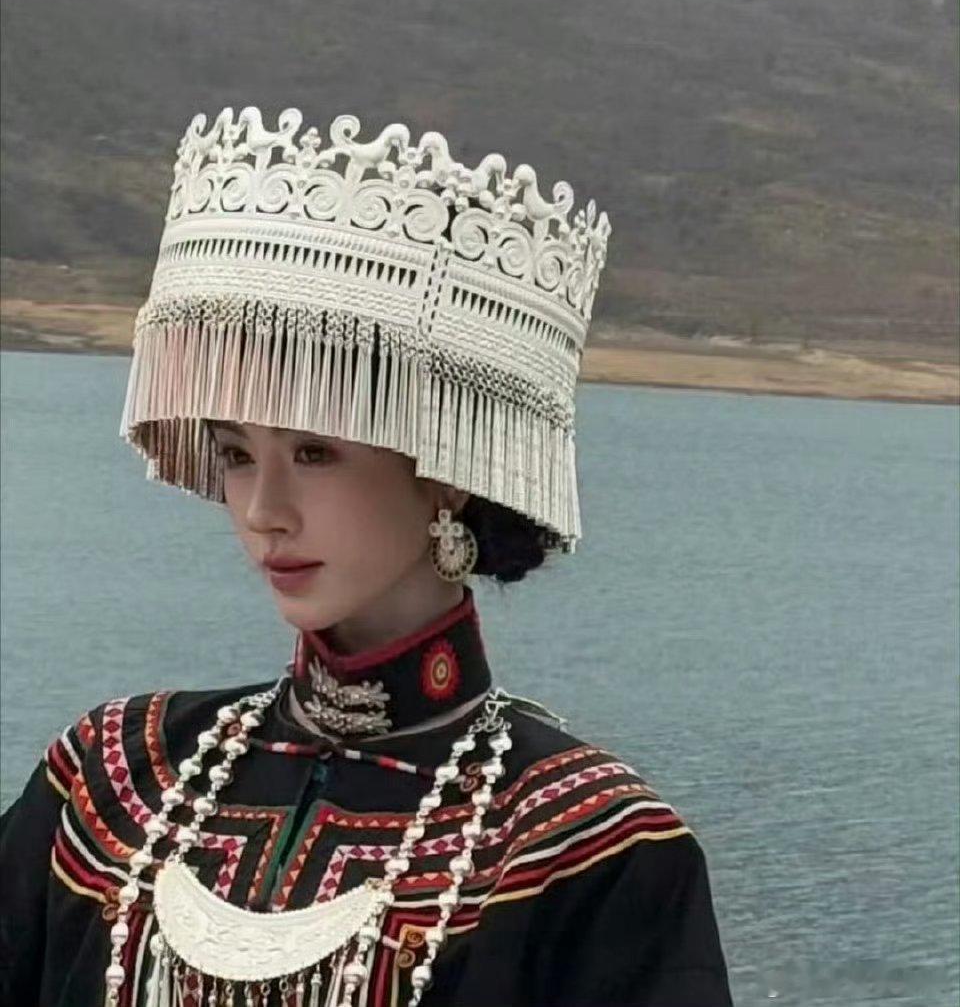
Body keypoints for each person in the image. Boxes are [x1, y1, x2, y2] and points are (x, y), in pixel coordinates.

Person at [0, 107, 733, 1007]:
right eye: (237, 454)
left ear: (443, 472)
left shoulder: (583, 846)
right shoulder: (113, 778)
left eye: (315, 453)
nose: (263, 511)